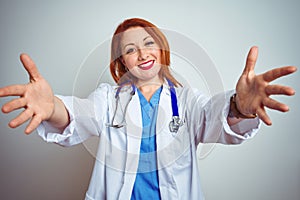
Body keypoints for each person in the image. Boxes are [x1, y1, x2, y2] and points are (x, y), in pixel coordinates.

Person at [0, 18, 297, 200]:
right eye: (129, 50)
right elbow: (78, 116)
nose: (141, 53)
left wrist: (240, 106)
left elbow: (214, 116)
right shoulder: (108, 99)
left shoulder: (186, 100)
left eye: (147, 43)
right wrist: (52, 107)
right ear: (122, 63)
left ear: (162, 50)